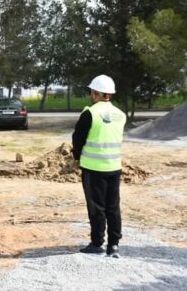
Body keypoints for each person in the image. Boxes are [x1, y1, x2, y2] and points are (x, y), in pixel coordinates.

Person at [72, 74, 126, 258]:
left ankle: (97, 243)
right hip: (114, 166)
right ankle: (114, 246)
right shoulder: (120, 115)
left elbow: (77, 138)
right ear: (110, 94)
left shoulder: (90, 113)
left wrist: (76, 157)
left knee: (96, 207)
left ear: (95, 94)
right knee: (113, 207)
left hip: (93, 168)